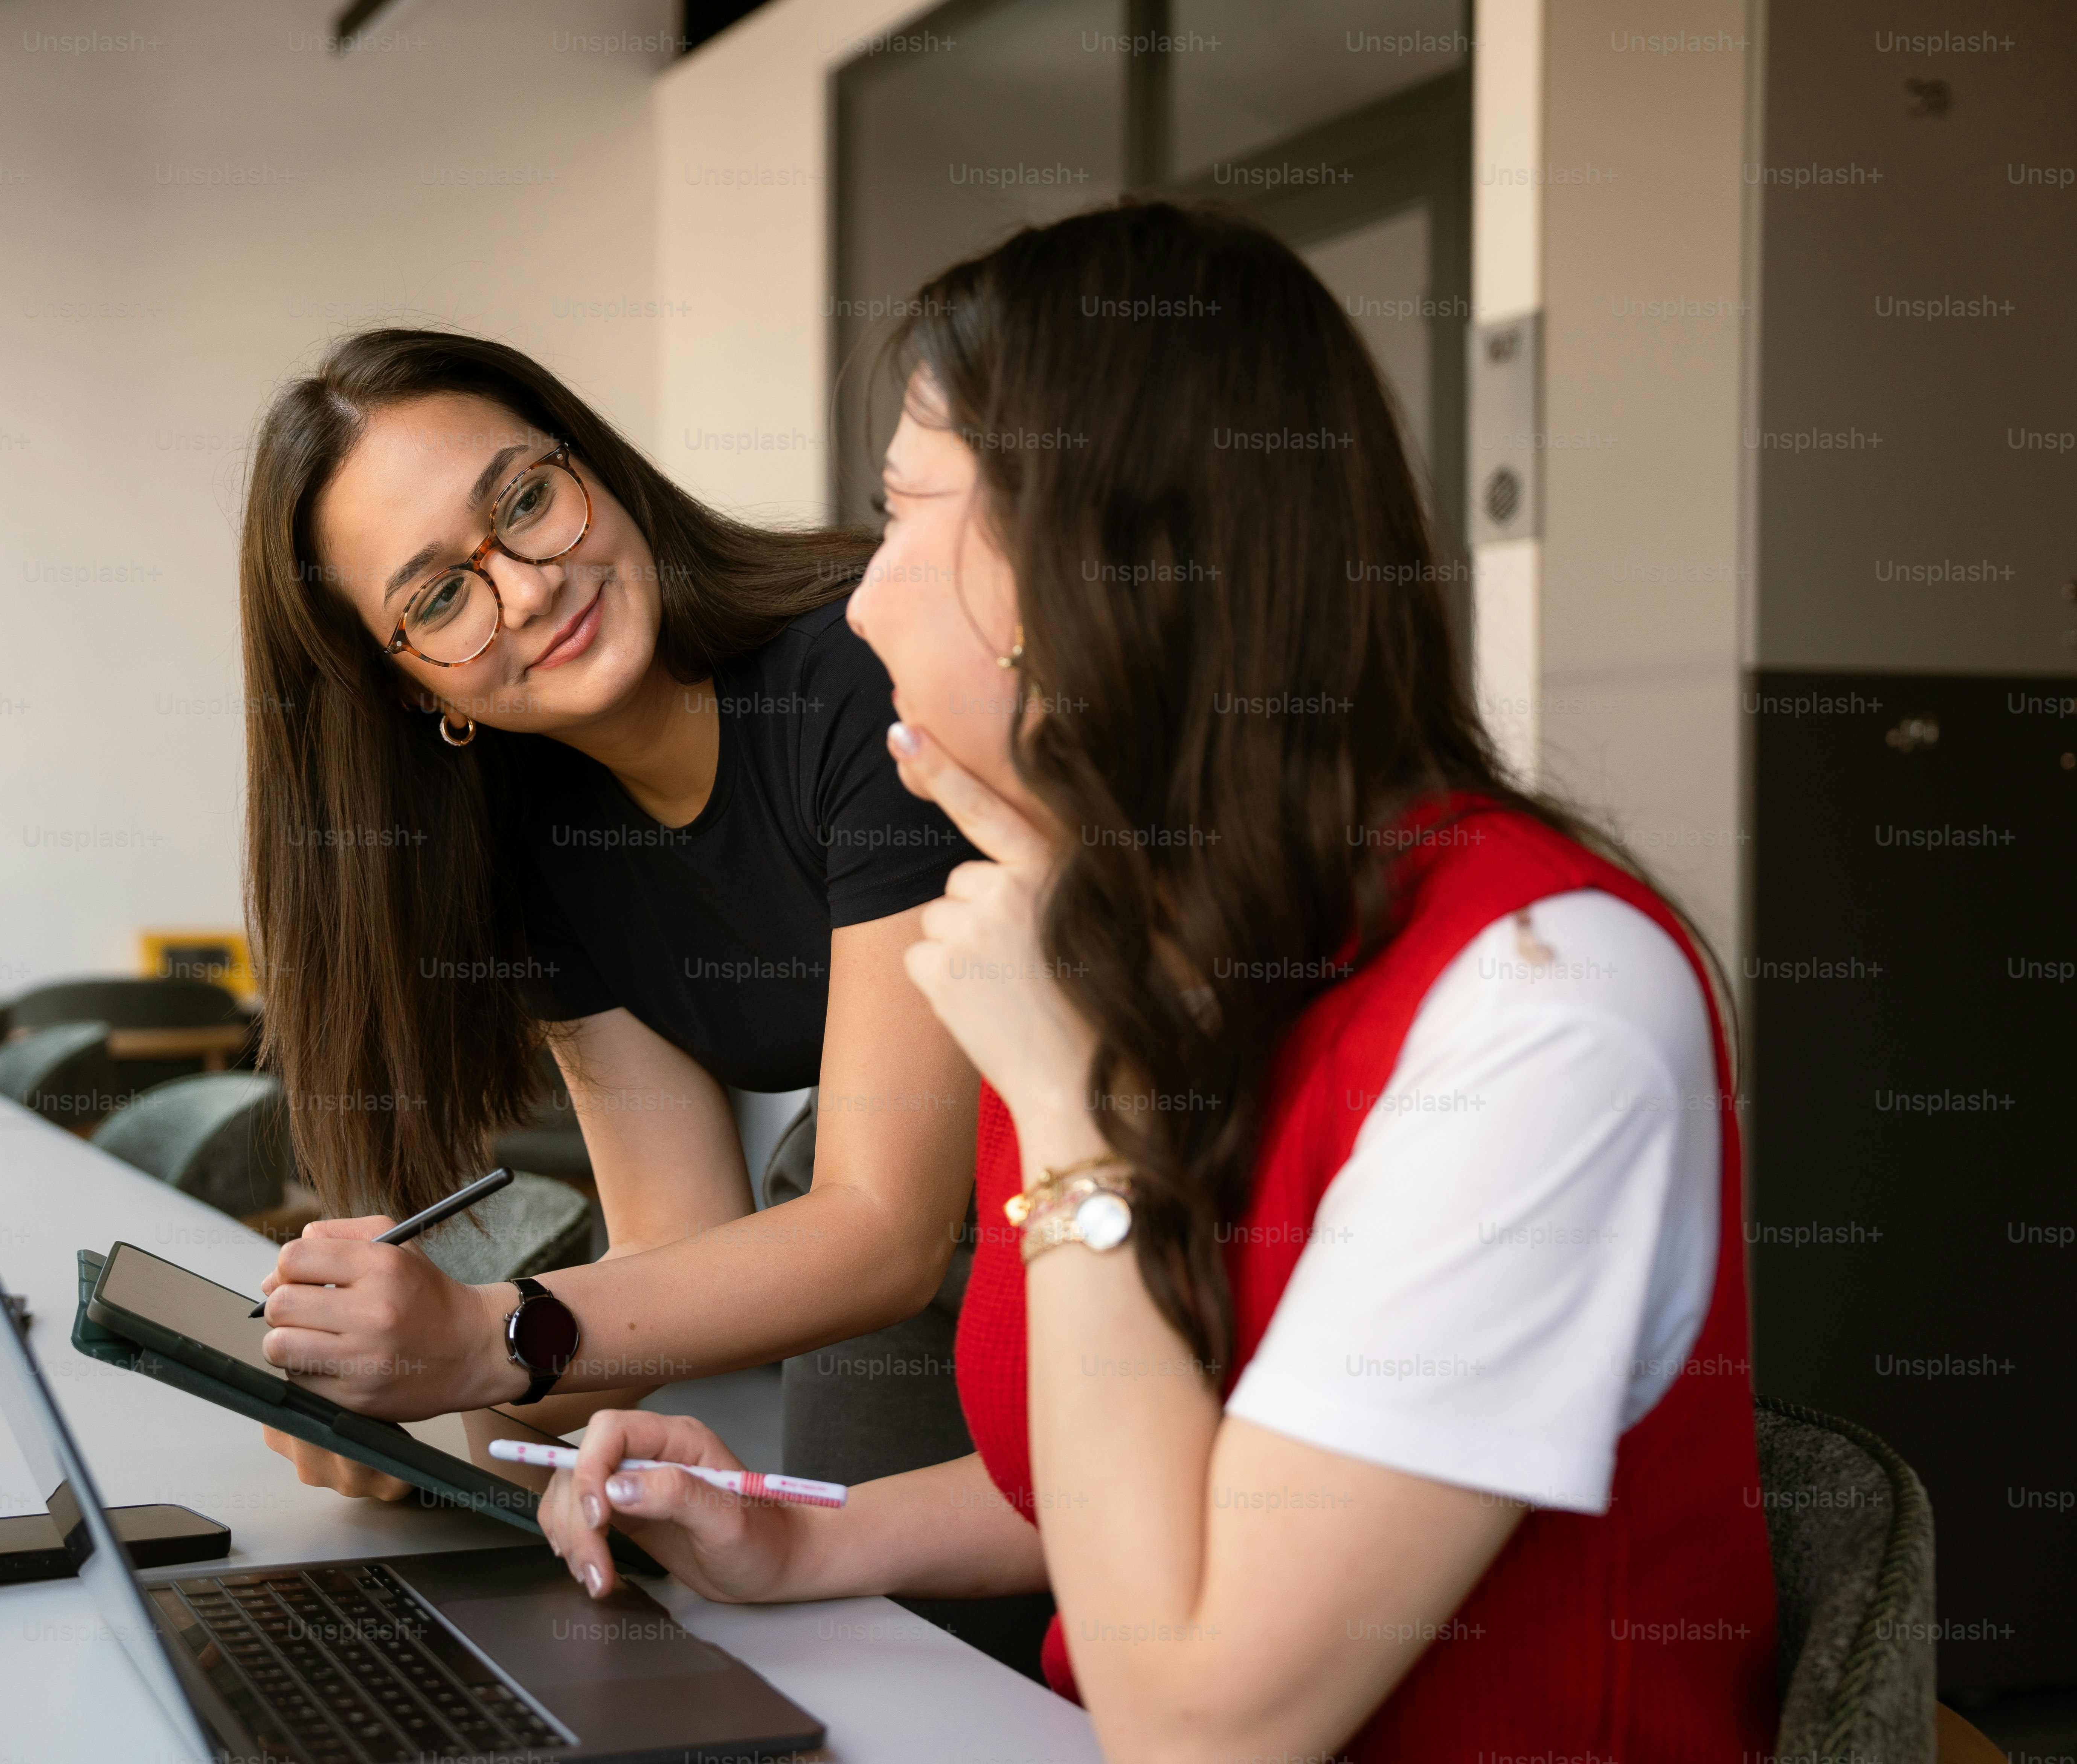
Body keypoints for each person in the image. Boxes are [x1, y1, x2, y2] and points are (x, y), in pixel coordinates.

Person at [532, 201, 1779, 1761]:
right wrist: (802, 1538)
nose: (858, 598)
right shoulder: (1131, 924)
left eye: (904, 516)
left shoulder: (1546, 1007)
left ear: (1095, 578)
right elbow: (1146, 1459)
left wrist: (1070, 1115)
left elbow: (1205, 1724)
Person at [234, 332, 978, 1496]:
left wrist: (483, 1340)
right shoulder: (540, 838)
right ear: (405, 686)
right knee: (867, 1600)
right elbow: (674, 1232)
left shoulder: (853, 678)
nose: (531, 589)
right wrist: (422, 1403)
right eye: (442, 598)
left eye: (526, 500)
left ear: (593, 464)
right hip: (908, 1247)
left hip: (1151, 1195)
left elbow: (886, 1227)